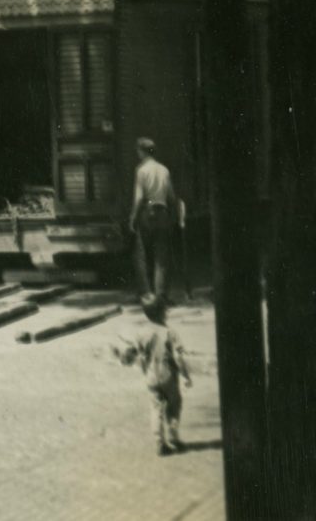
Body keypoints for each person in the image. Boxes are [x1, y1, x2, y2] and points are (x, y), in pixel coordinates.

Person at [117, 296, 193, 455]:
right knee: (174, 407)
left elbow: (132, 352)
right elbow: (178, 357)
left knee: (156, 409)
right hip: (169, 377)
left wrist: (125, 358)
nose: (167, 312)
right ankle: (174, 438)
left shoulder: (141, 333)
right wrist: (186, 375)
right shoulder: (170, 332)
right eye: (165, 309)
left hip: (151, 377)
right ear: (160, 312)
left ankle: (160, 443)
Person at [130, 137, 180, 302]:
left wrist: (133, 217)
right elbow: (171, 196)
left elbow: (139, 197)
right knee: (161, 257)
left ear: (142, 152)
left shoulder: (141, 170)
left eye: (138, 151)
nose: (138, 154)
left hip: (147, 212)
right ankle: (161, 295)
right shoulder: (164, 170)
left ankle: (146, 294)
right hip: (162, 212)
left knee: (142, 254)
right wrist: (173, 213)